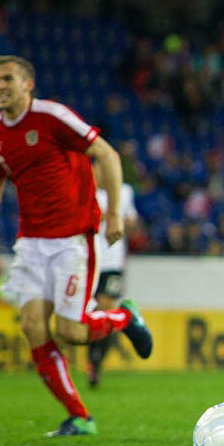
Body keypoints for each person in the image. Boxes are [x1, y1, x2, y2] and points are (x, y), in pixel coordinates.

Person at [0, 55, 153, 437]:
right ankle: (80, 416)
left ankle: (125, 317)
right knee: (33, 326)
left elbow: (106, 154)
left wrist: (115, 216)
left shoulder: (52, 117)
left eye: (7, 78)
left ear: (28, 84)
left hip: (73, 239)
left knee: (72, 331)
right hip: (32, 243)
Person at [87, 160, 140, 387]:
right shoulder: (87, 192)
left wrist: (128, 221)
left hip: (113, 263)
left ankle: (97, 361)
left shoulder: (124, 192)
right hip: (89, 261)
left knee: (106, 308)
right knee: (93, 313)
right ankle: (93, 359)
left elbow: (134, 224)